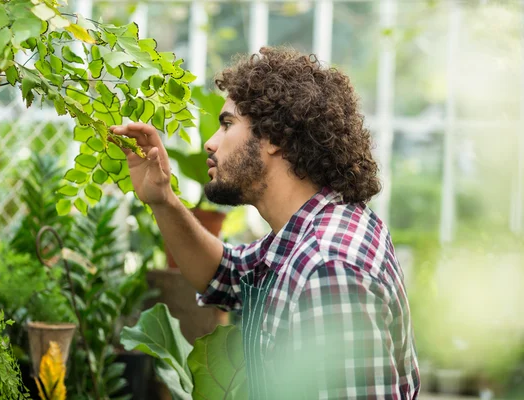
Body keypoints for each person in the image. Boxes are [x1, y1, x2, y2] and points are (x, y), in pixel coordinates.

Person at [110, 46, 420, 399]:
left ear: (275, 137)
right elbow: (224, 275)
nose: (210, 143)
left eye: (227, 124)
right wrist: (163, 199)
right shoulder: (303, 234)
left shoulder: (328, 266)